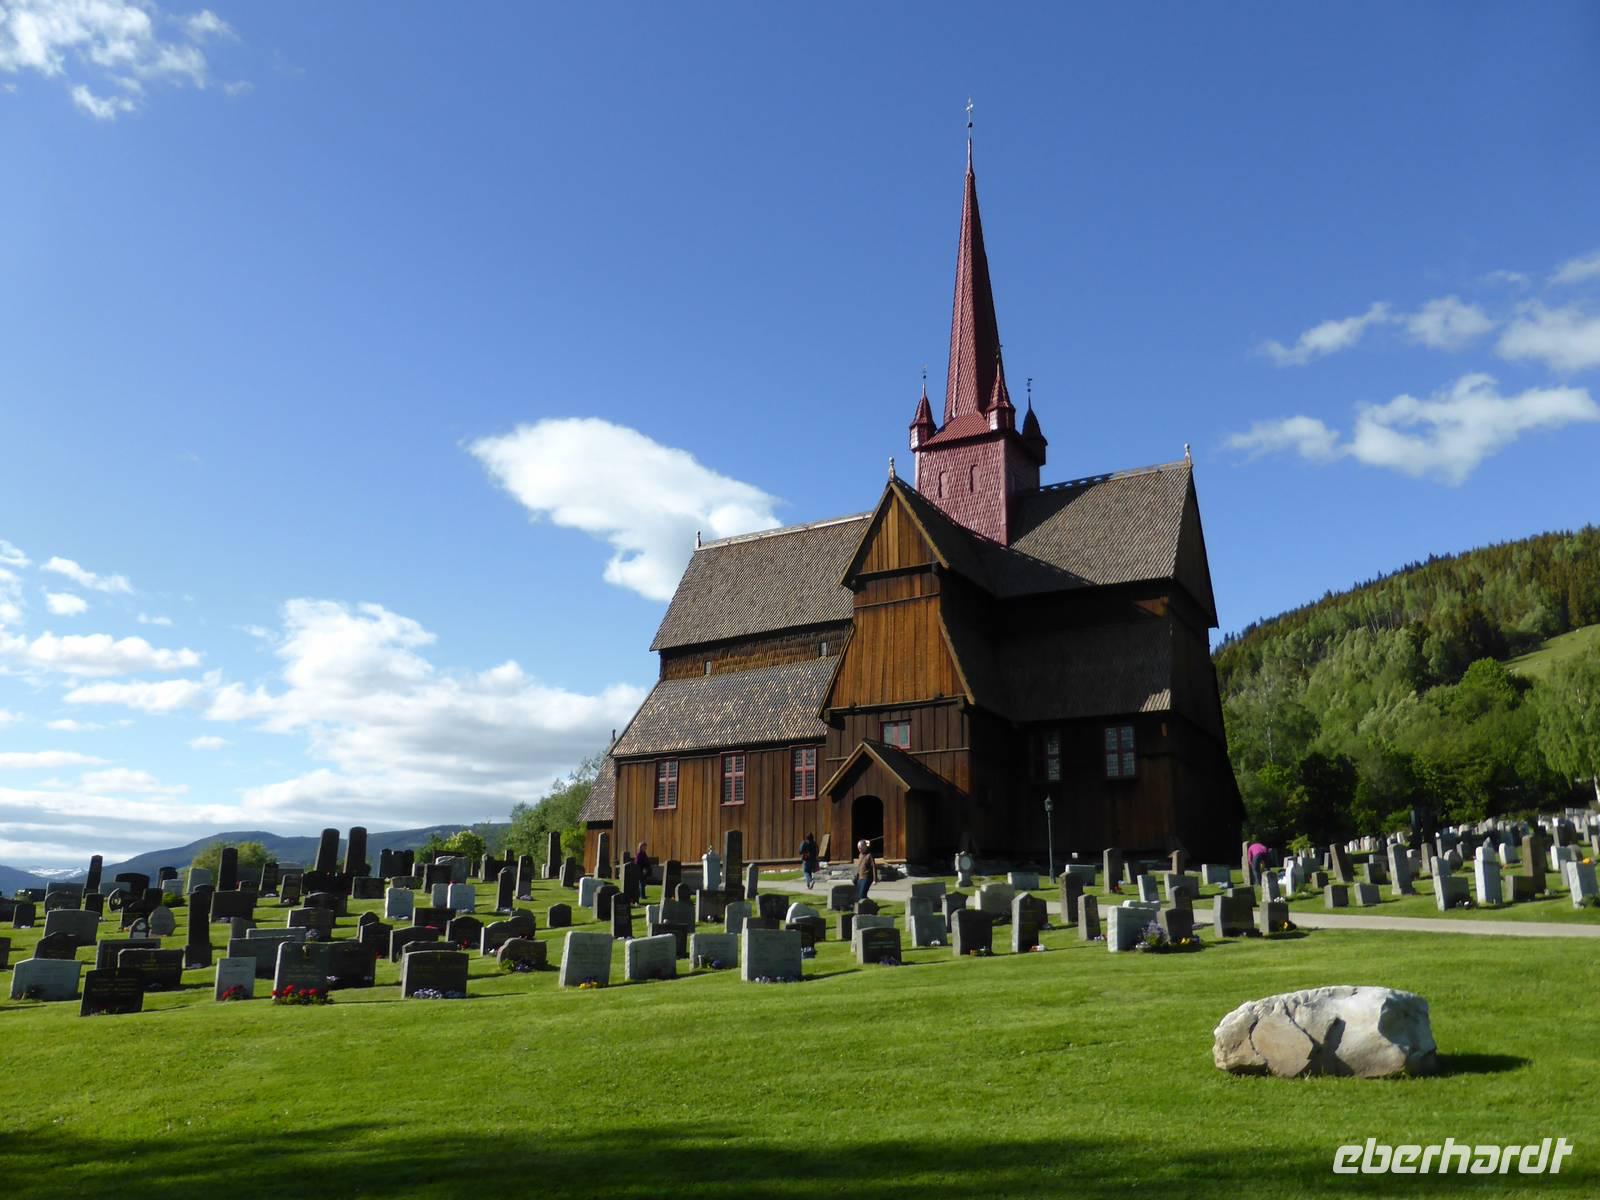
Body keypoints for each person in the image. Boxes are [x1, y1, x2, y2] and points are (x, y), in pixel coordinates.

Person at [854, 838, 876, 903]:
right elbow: (859, 867)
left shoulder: (869, 855)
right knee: (858, 895)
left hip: (866, 878)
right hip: (860, 877)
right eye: (858, 848)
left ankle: (868, 905)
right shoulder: (860, 855)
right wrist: (856, 876)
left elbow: (874, 867)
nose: (859, 850)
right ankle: (866, 905)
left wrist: (874, 879)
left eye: (860, 848)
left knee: (862, 894)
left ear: (864, 847)